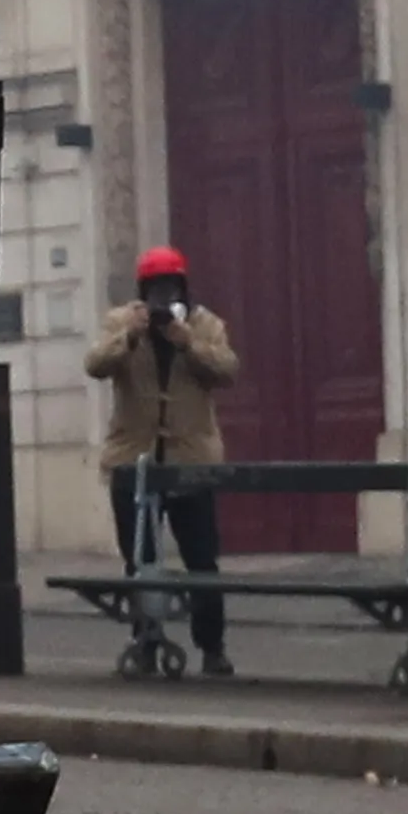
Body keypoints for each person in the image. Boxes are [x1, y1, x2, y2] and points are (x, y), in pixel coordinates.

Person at [88, 246, 242, 676]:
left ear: (183, 289)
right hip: (132, 461)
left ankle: (212, 647)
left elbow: (228, 369)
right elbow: (95, 364)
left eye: (170, 287)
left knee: (201, 559)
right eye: (155, 289)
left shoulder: (203, 324)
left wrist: (188, 343)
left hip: (189, 460)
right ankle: (147, 640)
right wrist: (129, 336)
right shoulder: (122, 322)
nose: (162, 297)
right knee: (141, 561)